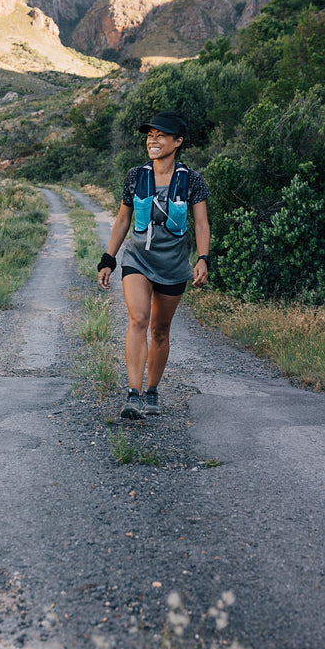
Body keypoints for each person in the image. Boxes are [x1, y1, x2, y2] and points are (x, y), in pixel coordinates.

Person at [98, 111, 211, 419]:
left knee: (160, 330)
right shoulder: (135, 176)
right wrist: (108, 259)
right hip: (138, 258)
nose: (153, 140)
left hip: (173, 264)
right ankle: (133, 394)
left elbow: (201, 223)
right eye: (150, 135)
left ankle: (151, 391)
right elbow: (123, 219)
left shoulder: (192, 181)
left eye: (162, 135)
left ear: (178, 141)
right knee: (138, 319)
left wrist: (203, 258)